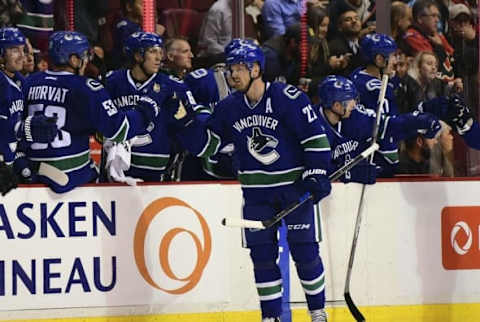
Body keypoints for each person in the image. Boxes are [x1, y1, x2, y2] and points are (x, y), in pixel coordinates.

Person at [173, 42, 332, 322]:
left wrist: (317, 172)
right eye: (229, 69)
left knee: (305, 253)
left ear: (256, 69)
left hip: (293, 190)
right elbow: (208, 145)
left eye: (238, 68)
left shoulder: (287, 97)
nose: (232, 75)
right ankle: (270, 317)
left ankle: (317, 312)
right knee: (262, 257)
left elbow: (315, 138)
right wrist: (185, 124)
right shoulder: (228, 108)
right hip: (256, 194)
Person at [21, 31, 159, 193]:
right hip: (72, 177)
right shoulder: (86, 87)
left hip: (34, 173)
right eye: (84, 56)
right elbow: (119, 130)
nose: (86, 61)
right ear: (73, 60)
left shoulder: (29, 82)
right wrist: (145, 111)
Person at [104, 31, 198, 182]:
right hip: (118, 167)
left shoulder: (173, 85)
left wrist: (182, 116)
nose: (159, 58)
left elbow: (191, 123)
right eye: (152, 51)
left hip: (157, 170)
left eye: (160, 52)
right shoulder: (113, 81)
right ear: (138, 56)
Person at [316, 75, 442, 183]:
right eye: (349, 100)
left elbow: (388, 126)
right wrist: (349, 173)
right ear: (337, 105)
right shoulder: (313, 126)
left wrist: (418, 122)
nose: (354, 104)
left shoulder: (356, 117)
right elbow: (314, 170)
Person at [0, 27, 57, 195]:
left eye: (22, 50)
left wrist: (18, 160)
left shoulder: (19, 82)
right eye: (14, 50)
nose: (22, 55)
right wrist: (25, 128)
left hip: (8, 165)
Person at [350, 33, 400, 176]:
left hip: (355, 153)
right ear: (379, 59)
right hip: (377, 160)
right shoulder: (380, 91)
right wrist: (392, 160)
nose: (395, 61)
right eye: (392, 56)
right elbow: (387, 128)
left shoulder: (356, 75)